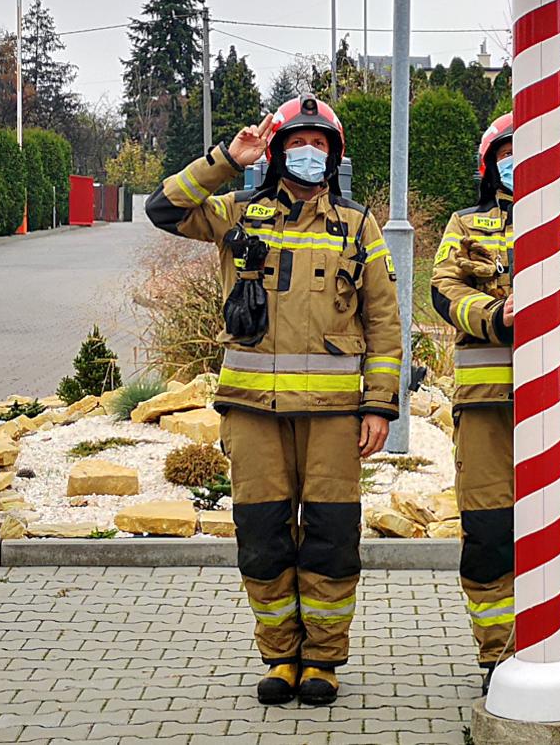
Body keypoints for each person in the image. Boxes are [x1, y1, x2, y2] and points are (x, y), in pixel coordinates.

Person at [144, 95, 402, 707]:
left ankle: (323, 660)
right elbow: (164, 208)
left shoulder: (358, 226)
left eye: (320, 144)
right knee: (261, 538)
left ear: (333, 155)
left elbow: (385, 323)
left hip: (335, 418)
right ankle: (281, 655)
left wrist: (378, 405)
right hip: (253, 412)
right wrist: (226, 160)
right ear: (278, 151)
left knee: (331, 540)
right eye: (298, 142)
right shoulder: (238, 212)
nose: (309, 153)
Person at [431, 112, 560, 694]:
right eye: (508, 151)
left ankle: (545, 647)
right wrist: (495, 315)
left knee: (559, 534)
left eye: (529, 150)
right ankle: (496, 656)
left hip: (559, 405)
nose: (519, 160)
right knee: (488, 535)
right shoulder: (466, 224)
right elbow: (443, 288)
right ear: (491, 164)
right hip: (486, 405)